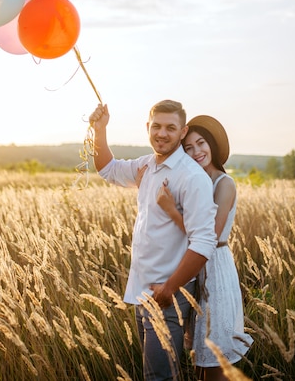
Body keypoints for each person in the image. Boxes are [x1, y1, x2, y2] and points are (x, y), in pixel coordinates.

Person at [89, 100, 217, 381]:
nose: (162, 133)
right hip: (142, 289)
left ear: (182, 132)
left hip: (167, 294)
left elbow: (204, 243)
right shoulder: (146, 165)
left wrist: (169, 289)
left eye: (170, 128)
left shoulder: (192, 177)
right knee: (154, 374)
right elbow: (107, 169)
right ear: (148, 127)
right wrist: (100, 131)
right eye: (156, 126)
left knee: (159, 377)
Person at [155, 115, 253, 381]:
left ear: (212, 145)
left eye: (201, 143)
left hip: (216, 270)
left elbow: (210, 235)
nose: (196, 151)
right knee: (200, 358)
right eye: (188, 147)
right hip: (193, 269)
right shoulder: (195, 183)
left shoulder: (224, 184)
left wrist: (170, 210)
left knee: (216, 359)